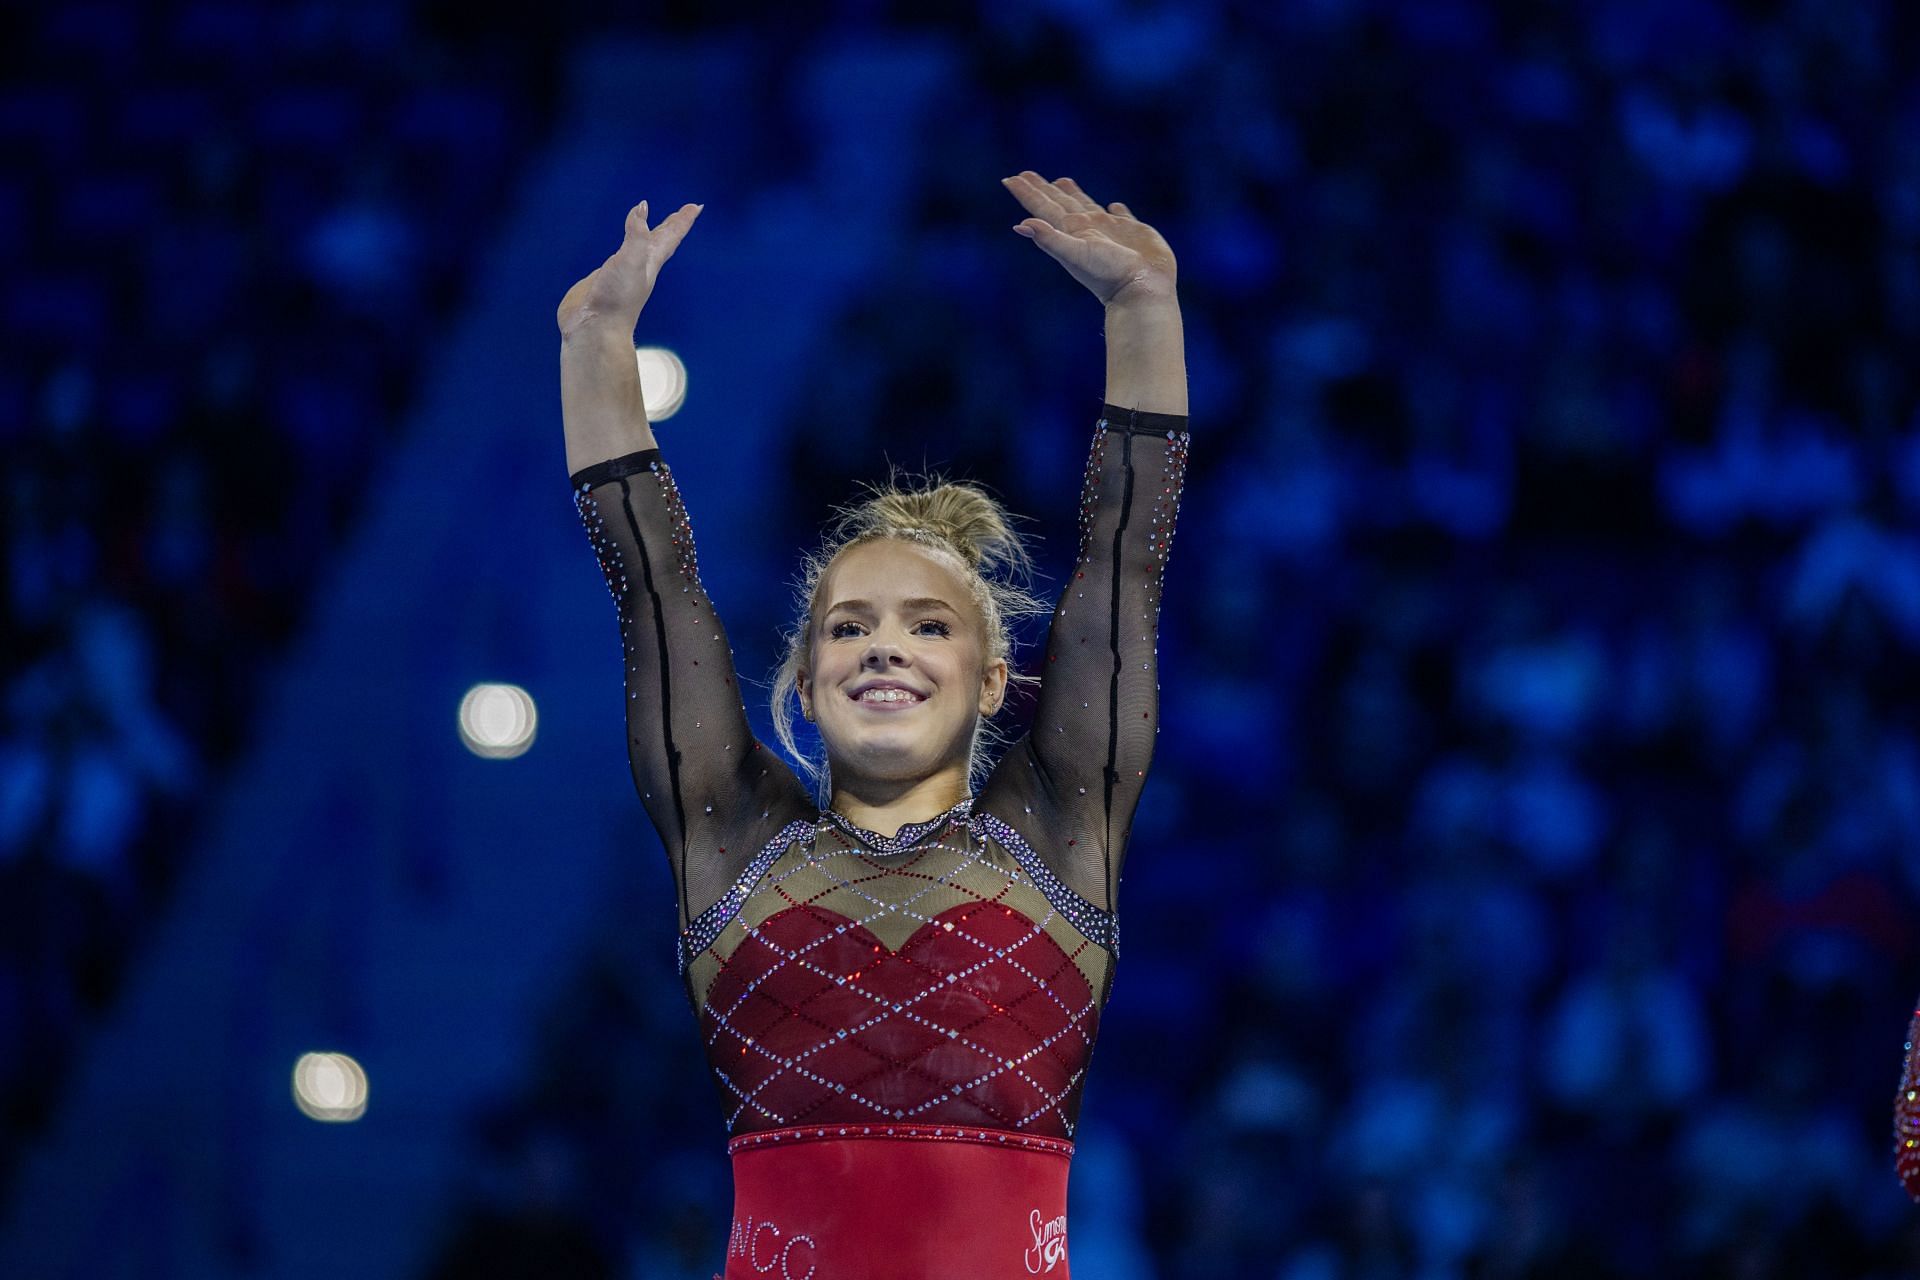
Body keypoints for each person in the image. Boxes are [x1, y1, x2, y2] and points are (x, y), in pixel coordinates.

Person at [557, 170, 1189, 1279]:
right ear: (801, 682)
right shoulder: (733, 842)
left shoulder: (1059, 834)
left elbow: (1125, 557)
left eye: (927, 625)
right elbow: (652, 583)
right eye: (848, 627)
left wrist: (1143, 313)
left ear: (995, 679)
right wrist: (595, 345)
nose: (884, 646)